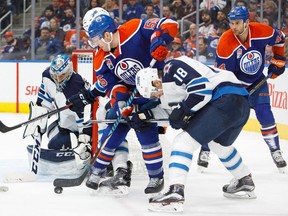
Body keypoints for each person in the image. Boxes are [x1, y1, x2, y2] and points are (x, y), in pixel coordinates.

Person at [66, 7, 178, 194]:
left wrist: (159, 40)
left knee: (144, 129)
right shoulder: (101, 56)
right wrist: (120, 101)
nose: (94, 45)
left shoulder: (133, 29)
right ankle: (97, 171)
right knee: (113, 129)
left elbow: (170, 24)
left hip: (155, 89)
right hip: (127, 94)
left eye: (95, 39)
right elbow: (108, 83)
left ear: (107, 35)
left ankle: (156, 177)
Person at [135, 56, 256, 212]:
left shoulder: (170, 68)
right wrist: (144, 116)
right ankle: (244, 179)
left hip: (224, 99)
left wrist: (183, 111)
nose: (157, 96)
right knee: (218, 145)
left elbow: (201, 90)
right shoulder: (172, 85)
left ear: (156, 82)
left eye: (154, 92)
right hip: (240, 104)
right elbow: (177, 109)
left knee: (182, 143)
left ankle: (175, 193)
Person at [215, 6, 287, 173]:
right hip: (236, 86)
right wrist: (234, 92)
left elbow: (281, 38)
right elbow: (223, 76)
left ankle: (275, 151)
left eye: (237, 23)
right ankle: (205, 148)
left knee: (265, 113)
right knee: (221, 119)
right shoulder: (225, 43)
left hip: (258, 81)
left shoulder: (262, 31)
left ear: (247, 22)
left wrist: (279, 58)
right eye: (231, 23)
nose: (233, 27)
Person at [23, 54, 92, 175]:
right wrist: (39, 117)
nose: (58, 79)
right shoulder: (47, 76)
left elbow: (84, 114)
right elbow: (44, 100)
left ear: (69, 72)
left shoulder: (76, 84)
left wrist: (84, 138)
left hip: (87, 125)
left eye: (62, 76)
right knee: (53, 139)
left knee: (60, 145)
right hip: (66, 125)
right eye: (55, 75)